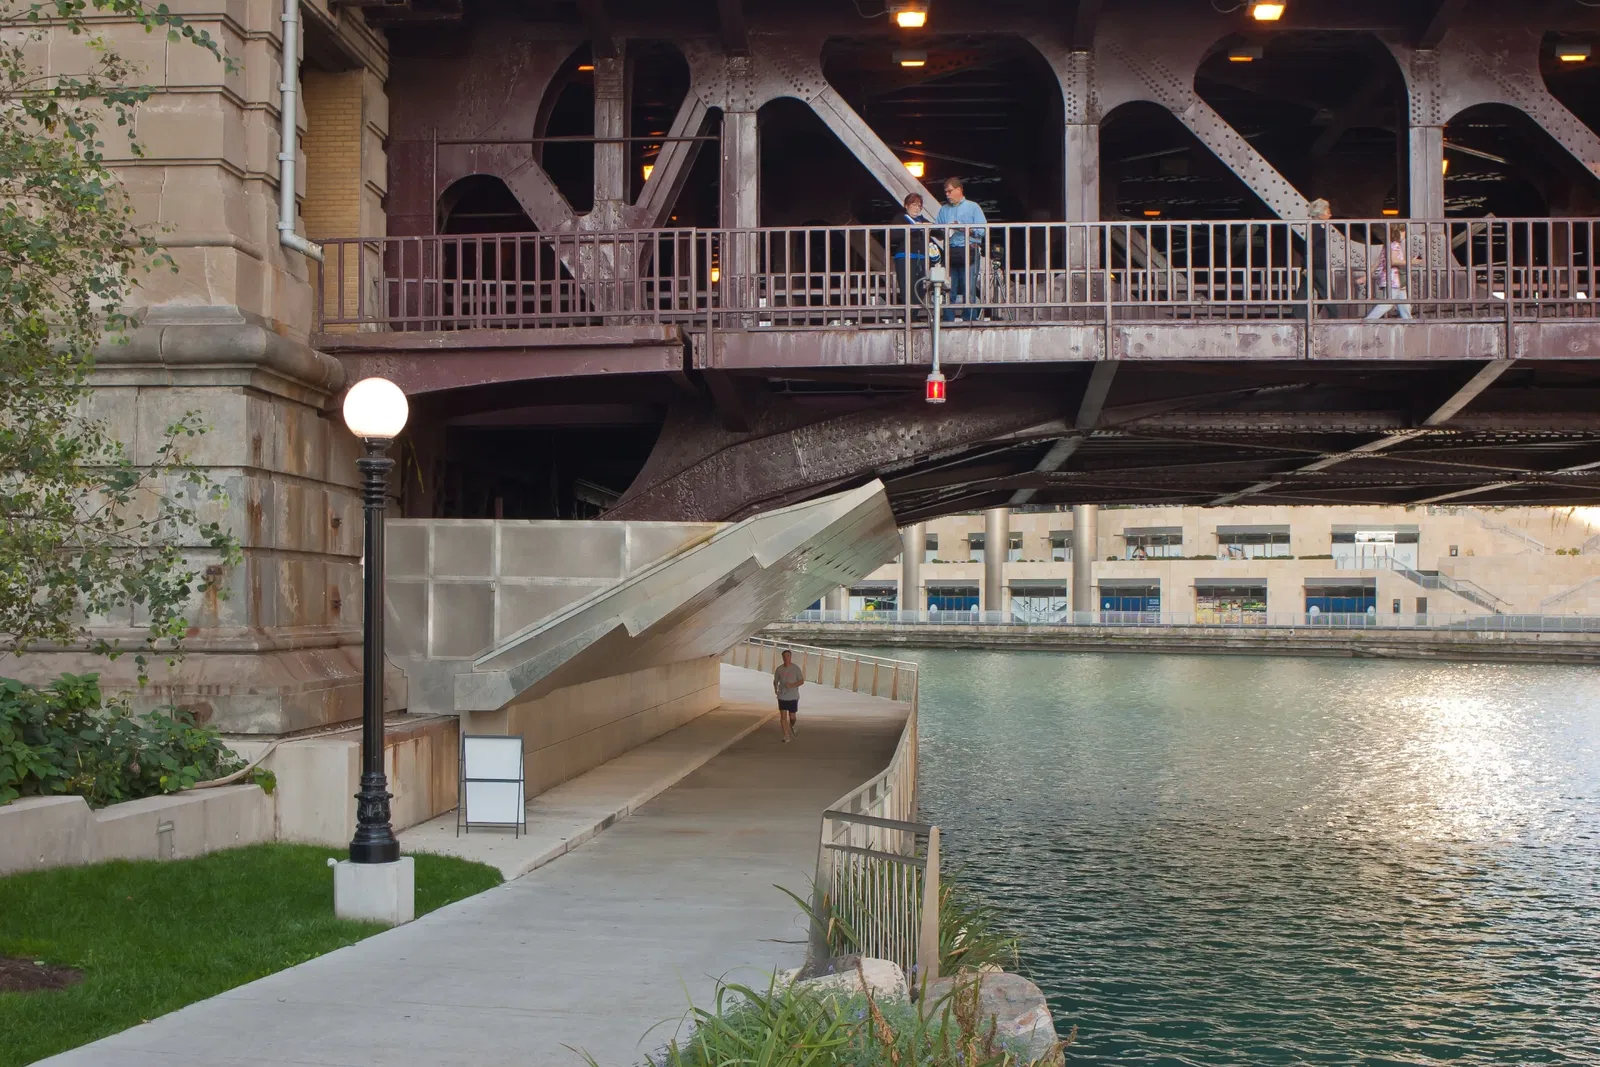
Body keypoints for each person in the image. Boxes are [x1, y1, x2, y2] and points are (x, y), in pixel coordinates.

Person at [935, 176, 986, 322]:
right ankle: (948, 319)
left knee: (968, 288)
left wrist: (964, 229)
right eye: (946, 192)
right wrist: (939, 230)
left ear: (959, 190)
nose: (947, 195)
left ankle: (969, 319)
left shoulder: (973, 207)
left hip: (969, 249)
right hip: (950, 251)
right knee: (948, 287)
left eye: (950, 191)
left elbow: (982, 230)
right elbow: (937, 231)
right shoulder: (944, 210)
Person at [890, 193, 937, 319]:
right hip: (904, 257)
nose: (917, 208)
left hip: (920, 258)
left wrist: (932, 226)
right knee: (907, 288)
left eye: (919, 206)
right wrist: (912, 228)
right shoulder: (900, 218)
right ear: (906, 205)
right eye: (914, 205)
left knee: (922, 287)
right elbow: (893, 235)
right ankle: (909, 317)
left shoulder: (922, 220)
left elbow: (938, 231)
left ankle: (913, 316)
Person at [1366, 223, 1419, 320]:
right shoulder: (1395, 245)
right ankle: (1368, 321)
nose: (1405, 233)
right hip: (1394, 279)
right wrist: (1411, 261)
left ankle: (1410, 324)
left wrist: (1366, 276)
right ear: (1398, 232)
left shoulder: (1387, 245)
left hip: (1394, 280)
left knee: (1405, 305)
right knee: (1388, 303)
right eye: (1403, 231)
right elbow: (1393, 261)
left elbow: (1378, 262)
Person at [1291, 198, 1333, 319]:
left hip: (1312, 265)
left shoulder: (1317, 227)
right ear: (1320, 213)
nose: (1330, 214)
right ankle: (1335, 316)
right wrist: (1306, 265)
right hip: (1316, 265)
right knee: (1328, 292)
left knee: (1304, 292)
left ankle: (1296, 316)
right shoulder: (1316, 227)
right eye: (1327, 211)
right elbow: (1310, 247)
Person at [772, 649, 805, 743]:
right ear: (782, 658)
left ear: (790, 657)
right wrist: (775, 689)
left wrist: (792, 685)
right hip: (782, 696)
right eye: (784, 656)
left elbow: (801, 681)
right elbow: (775, 681)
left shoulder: (796, 668)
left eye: (788, 656)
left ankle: (793, 725)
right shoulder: (779, 669)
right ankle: (786, 735)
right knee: (783, 717)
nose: (786, 658)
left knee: (792, 717)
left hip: (793, 696)